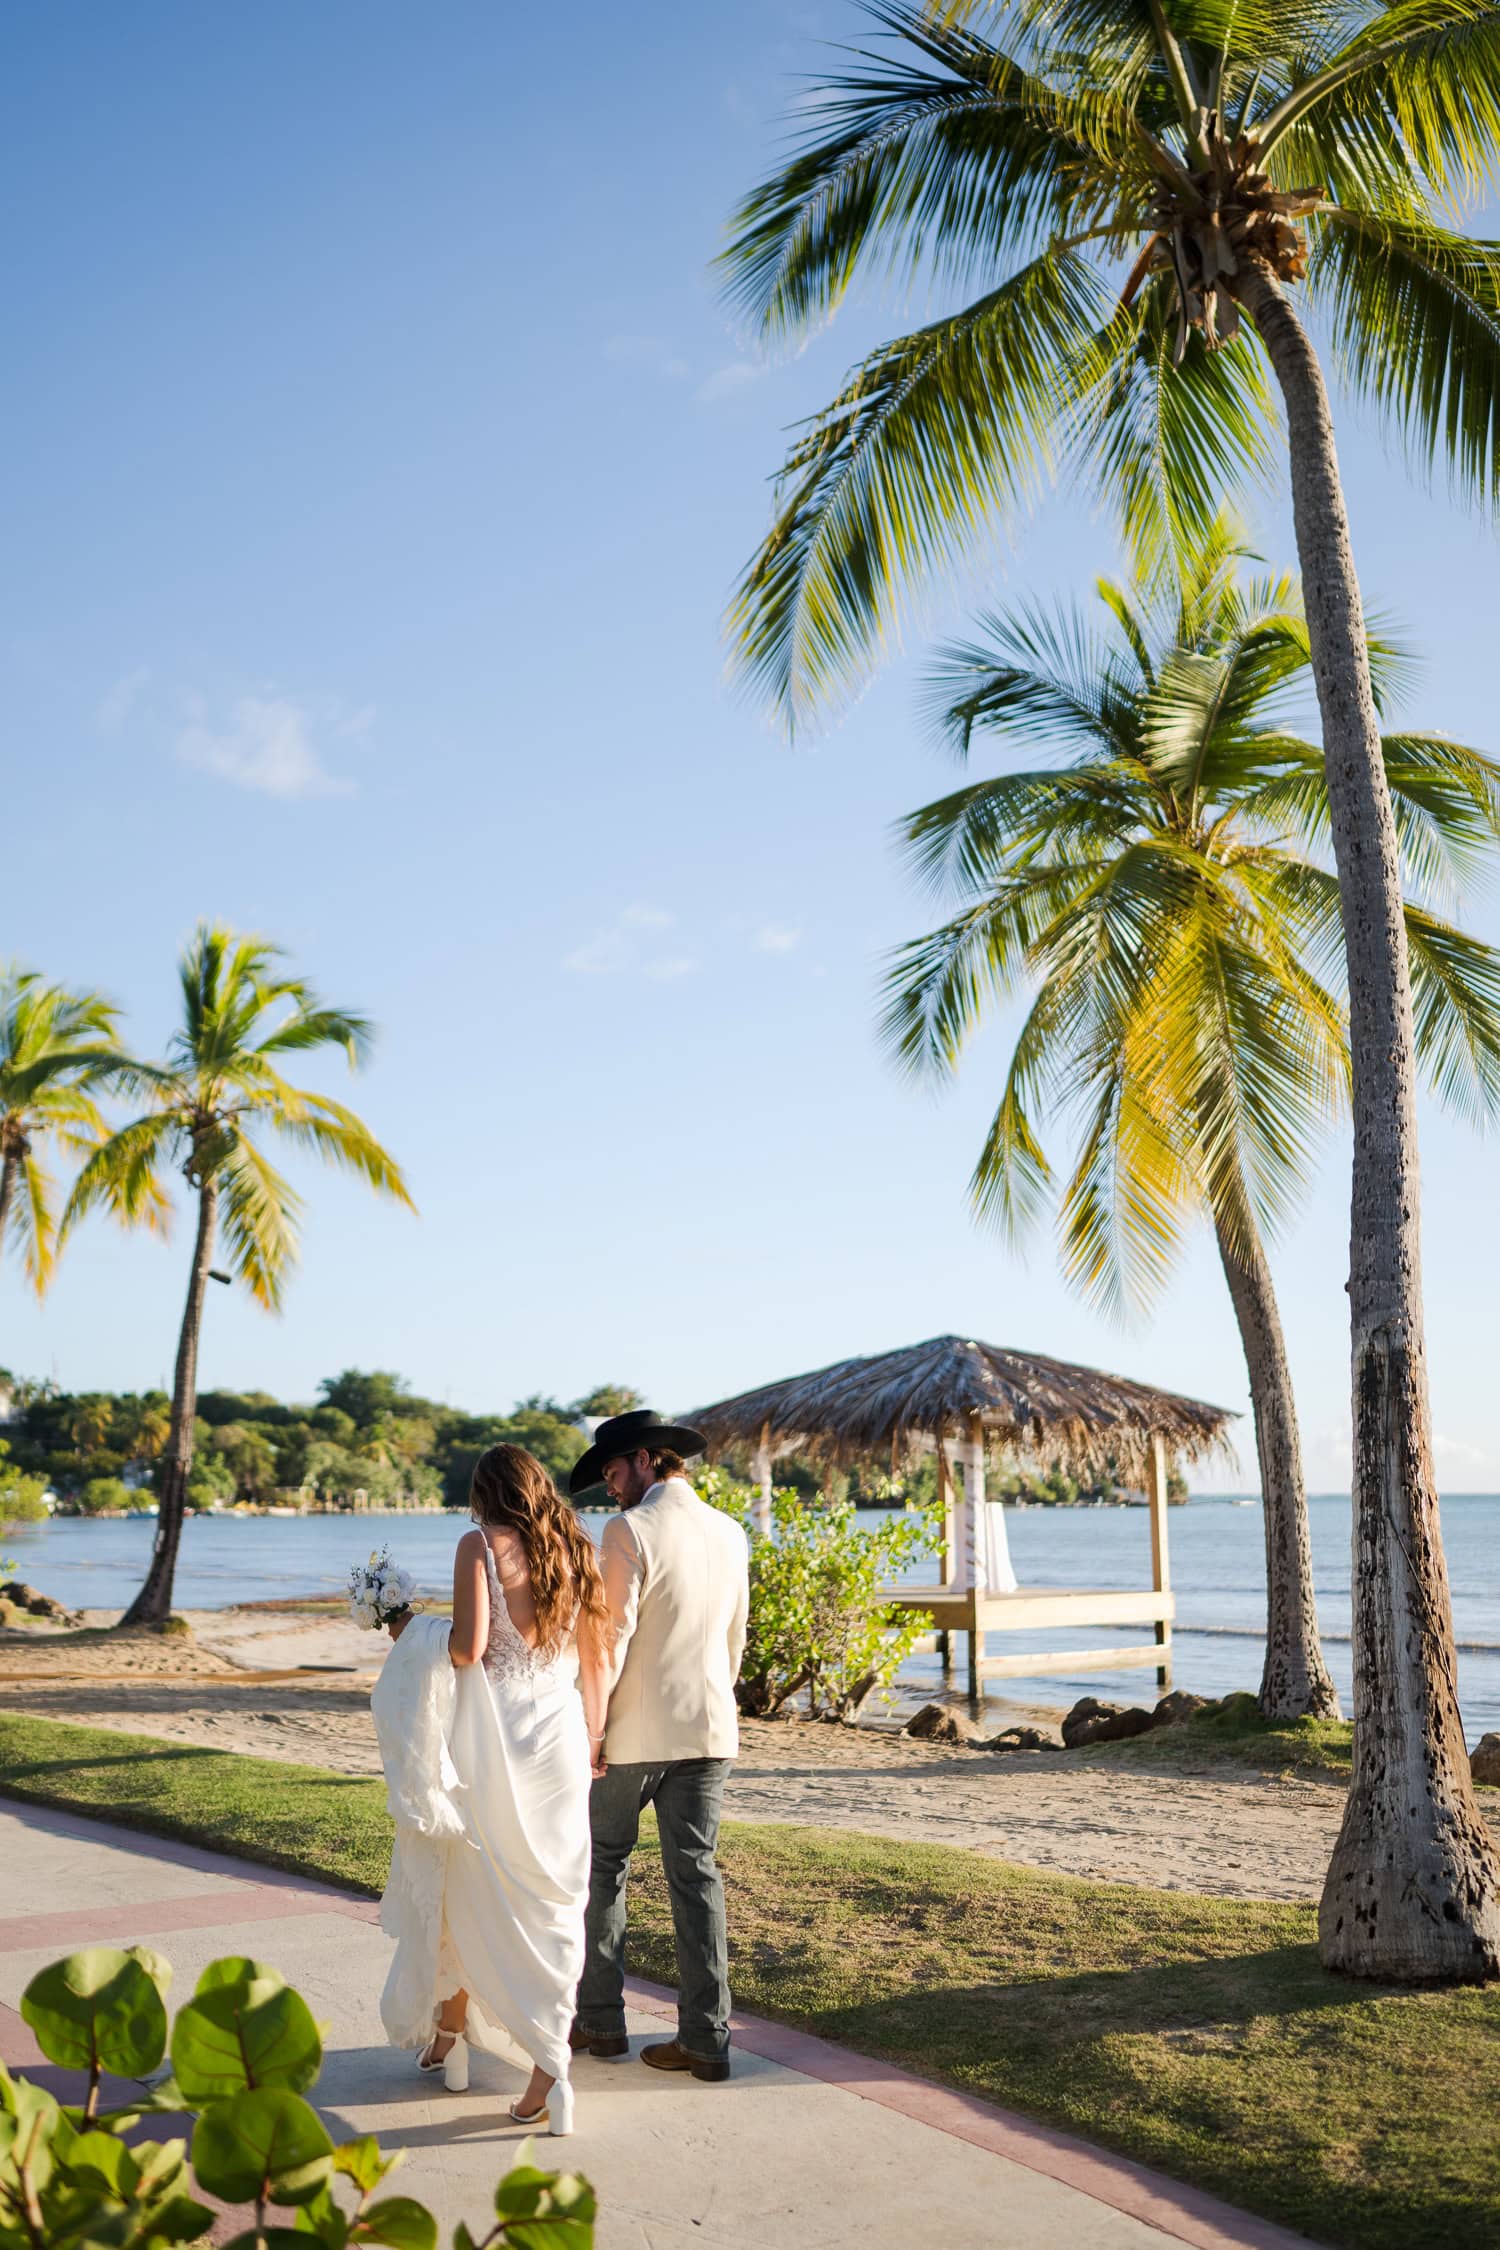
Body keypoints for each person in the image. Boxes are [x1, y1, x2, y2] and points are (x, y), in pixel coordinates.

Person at [372, 1444, 610, 2135]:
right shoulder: (577, 1546)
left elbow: (466, 1650)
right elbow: (593, 1657)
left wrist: (405, 1627)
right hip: (562, 1736)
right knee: (553, 1898)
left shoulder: (479, 1544)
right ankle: (542, 2069)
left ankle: (457, 2047)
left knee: (475, 1884)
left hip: (497, 1741)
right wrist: (597, 1738)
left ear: (486, 1494)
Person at [567, 1409, 750, 2082]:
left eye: (612, 1471)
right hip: (709, 1729)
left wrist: (591, 1730)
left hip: (634, 1734)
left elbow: (610, 1638)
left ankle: (601, 2023)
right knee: (696, 1880)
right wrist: (709, 1704)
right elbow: (735, 1637)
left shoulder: (630, 1528)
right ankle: (706, 2042)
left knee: (603, 1868)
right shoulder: (731, 1532)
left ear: (646, 1460)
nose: (609, 1487)